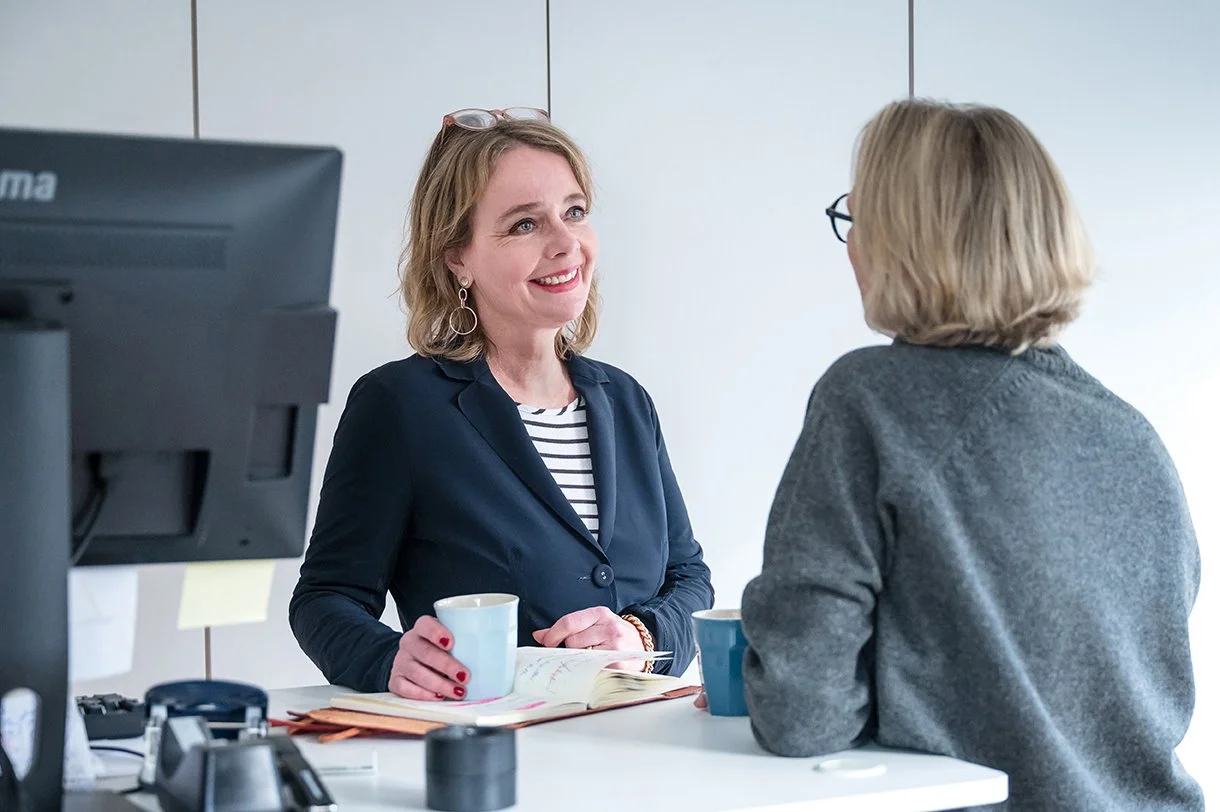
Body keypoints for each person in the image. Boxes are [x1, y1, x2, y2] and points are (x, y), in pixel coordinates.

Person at [740, 99, 1203, 811]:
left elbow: (803, 715)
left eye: (857, 219)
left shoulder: (870, 397)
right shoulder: (1131, 436)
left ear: (905, 239)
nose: (852, 245)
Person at [289, 107, 713, 701]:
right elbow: (325, 599)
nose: (566, 244)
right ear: (457, 256)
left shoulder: (626, 401)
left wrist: (640, 636)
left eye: (574, 212)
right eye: (524, 225)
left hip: (642, 741)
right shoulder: (401, 406)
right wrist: (387, 660)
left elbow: (689, 578)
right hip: (493, 751)